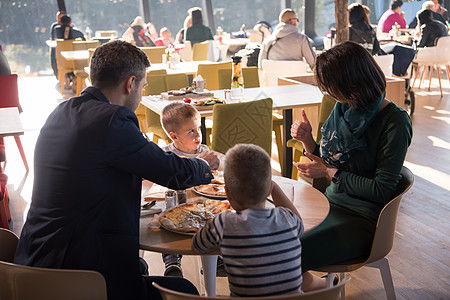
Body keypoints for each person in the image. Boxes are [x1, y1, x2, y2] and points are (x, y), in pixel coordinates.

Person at [14, 40, 220, 300]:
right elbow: (173, 172)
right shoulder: (113, 120)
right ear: (130, 83)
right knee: (185, 291)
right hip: (76, 275)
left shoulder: (61, 111)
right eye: (143, 87)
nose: (141, 94)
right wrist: (205, 164)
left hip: (33, 262)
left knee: (140, 267)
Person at [290, 41, 412, 272]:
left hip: (362, 220)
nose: (328, 92)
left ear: (352, 83)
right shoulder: (344, 108)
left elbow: (381, 189)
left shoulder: (394, 121)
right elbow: (333, 163)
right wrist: (308, 140)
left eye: (331, 86)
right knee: (271, 236)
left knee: (284, 250)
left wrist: (328, 172)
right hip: (328, 202)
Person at [192, 144, 330, 296]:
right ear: (269, 190)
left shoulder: (223, 223)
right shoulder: (287, 219)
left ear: (227, 193)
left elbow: (198, 245)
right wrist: (274, 188)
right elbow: (299, 224)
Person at [159, 102, 225, 278]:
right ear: (174, 136)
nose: (198, 135)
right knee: (168, 230)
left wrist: (217, 165)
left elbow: (216, 175)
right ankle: (172, 263)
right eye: (191, 131)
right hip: (177, 205)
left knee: (216, 222)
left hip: (204, 203)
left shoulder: (204, 151)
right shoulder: (166, 155)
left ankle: (217, 259)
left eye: (199, 129)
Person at [49, 11, 65, 77]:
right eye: (58, 18)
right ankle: (58, 75)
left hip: (65, 46)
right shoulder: (55, 26)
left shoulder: (69, 25)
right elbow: (53, 37)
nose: (59, 20)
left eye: (61, 18)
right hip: (57, 46)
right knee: (53, 52)